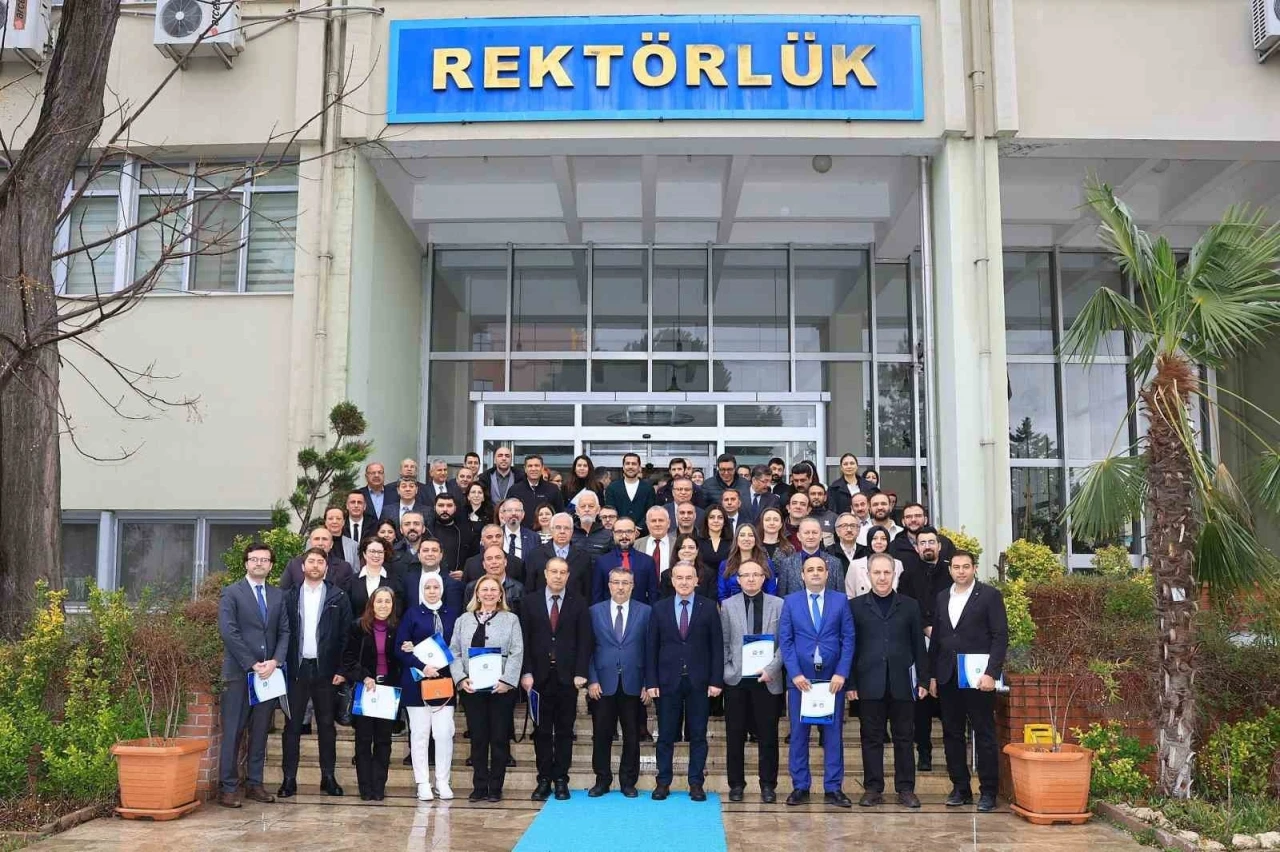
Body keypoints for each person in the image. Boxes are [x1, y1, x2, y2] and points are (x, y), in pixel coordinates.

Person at [929, 550, 1008, 813]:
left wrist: (991, 673)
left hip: (978, 678)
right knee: (952, 734)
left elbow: (1000, 636)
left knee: (984, 734)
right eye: (956, 567)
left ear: (974, 568)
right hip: (948, 675)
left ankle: (988, 792)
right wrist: (932, 675)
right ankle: (960, 788)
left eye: (966, 566)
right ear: (949, 569)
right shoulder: (942, 597)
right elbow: (937, 639)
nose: (961, 571)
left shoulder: (989, 596)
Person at [848, 553, 929, 808]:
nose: (882, 577)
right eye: (877, 572)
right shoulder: (855, 607)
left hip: (902, 683)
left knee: (904, 738)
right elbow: (850, 647)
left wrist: (923, 680)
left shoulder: (910, 605)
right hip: (868, 683)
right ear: (868, 574)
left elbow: (919, 645)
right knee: (871, 738)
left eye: (887, 572)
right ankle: (873, 788)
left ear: (894, 574)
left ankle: (906, 789)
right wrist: (851, 683)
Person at [217, 542, 291, 808]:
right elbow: (229, 631)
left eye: (264, 560)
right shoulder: (231, 593)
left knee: (260, 732)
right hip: (239, 674)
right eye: (254, 559)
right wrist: (251, 663)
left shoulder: (278, 595)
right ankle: (228, 787)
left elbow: (285, 631)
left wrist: (276, 661)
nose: (259, 563)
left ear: (271, 566)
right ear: (246, 563)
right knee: (233, 731)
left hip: (268, 676)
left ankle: (254, 783)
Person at [779, 556, 856, 808]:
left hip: (832, 681)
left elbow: (848, 639)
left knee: (833, 736)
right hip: (801, 681)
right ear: (802, 575)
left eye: (819, 569)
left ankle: (833, 788)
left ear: (827, 573)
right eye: (810, 570)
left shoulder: (840, 601)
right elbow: (786, 640)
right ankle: (800, 786)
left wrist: (842, 673)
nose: (815, 573)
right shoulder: (790, 602)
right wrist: (795, 674)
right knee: (799, 735)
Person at [645, 562, 724, 802]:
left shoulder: (708, 607)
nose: (684, 582)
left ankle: (696, 783)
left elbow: (717, 647)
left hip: (699, 682)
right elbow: (651, 647)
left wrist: (716, 680)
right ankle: (663, 782)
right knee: (665, 735)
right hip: (667, 681)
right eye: (679, 577)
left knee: (698, 735)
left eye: (689, 577)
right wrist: (651, 681)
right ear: (672, 581)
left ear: (697, 580)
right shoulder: (659, 608)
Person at [278, 547, 351, 799]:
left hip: (327, 671)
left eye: (320, 562)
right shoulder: (288, 596)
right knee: (292, 726)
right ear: (303, 566)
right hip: (296, 669)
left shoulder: (338, 596)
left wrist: (342, 669)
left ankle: (328, 777)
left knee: (327, 726)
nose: (315, 565)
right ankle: (289, 779)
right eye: (311, 561)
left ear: (326, 568)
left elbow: (346, 635)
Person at [521, 557, 593, 801]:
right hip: (538, 678)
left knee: (564, 731)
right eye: (554, 571)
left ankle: (561, 779)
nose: (558, 576)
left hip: (567, 679)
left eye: (563, 572)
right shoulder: (529, 602)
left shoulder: (579, 602)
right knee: (541, 731)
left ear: (568, 576)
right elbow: (524, 640)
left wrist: (581, 672)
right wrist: (526, 672)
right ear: (545, 573)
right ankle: (543, 780)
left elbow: (584, 640)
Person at [450, 575, 525, 802]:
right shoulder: (463, 620)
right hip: (472, 690)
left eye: (494, 590)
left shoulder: (511, 619)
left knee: (499, 739)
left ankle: (495, 787)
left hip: (500, 689)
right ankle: (480, 786)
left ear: (501, 594)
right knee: (478, 739)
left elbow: (517, 651)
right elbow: (454, 652)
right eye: (484, 589)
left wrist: (507, 681)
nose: (489, 593)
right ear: (477, 594)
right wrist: (461, 679)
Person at [720, 560, 784, 803]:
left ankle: (768, 785)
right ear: (738, 579)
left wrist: (772, 668)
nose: (750, 579)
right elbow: (724, 641)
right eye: (745, 575)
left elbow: (785, 642)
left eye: (756, 574)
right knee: (734, 735)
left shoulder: (778, 604)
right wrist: (728, 670)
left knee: (768, 736)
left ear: (764, 577)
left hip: (767, 679)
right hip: (737, 679)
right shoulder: (728, 605)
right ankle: (736, 784)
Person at [587, 569, 651, 798]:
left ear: (633, 586)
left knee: (632, 735)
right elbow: (588, 648)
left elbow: (650, 649)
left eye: (625, 583)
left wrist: (648, 683)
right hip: (603, 684)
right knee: (601, 734)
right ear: (609, 585)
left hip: (634, 682)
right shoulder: (594, 611)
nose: (621, 587)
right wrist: (592, 679)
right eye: (616, 582)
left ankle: (628, 781)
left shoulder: (646, 612)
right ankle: (602, 780)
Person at [395, 571, 459, 801]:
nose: (432, 591)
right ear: (422, 590)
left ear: (442, 589)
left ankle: (442, 781)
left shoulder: (453, 614)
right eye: (427, 587)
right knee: (420, 734)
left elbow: (457, 645)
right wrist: (423, 666)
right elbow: (400, 648)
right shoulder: (412, 614)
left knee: (443, 733)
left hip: (444, 682)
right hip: (417, 682)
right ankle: (422, 782)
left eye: (436, 587)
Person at [900, 524, 954, 771]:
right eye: (922, 543)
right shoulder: (908, 575)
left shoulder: (951, 572)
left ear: (939, 546)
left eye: (931, 542)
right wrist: (925, 627)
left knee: (948, 703)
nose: (927, 546)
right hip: (919, 644)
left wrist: (940, 632)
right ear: (917, 547)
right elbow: (905, 607)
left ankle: (953, 756)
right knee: (920, 704)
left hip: (948, 645)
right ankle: (924, 753)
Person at [341, 586, 400, 800]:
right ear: (371, 604)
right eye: (379, 601)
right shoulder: (358, 627)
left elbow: (400, 659)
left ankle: (379, 787)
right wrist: (364, 676)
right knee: (363, 740)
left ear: (393, 605)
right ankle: (365, 788)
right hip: (365, 689)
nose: (383, 605)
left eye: (387, 601)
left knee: (384, 741)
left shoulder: (398, 627)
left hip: (388, 691)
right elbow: (348, 658)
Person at [526, 512, 592, 599]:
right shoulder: (535, 555)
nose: (562, 532)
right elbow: (529, 588)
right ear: (551, 530)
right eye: (558, 527)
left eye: (566, 528)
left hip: (573, 605)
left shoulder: (583, 557)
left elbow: (587, 591)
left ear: (572, 531)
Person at [591, 517, 656, 605]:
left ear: (635, 533)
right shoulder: (602, 562)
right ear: (613, 534)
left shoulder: (648, 561)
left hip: (640, 612)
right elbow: (597, 596)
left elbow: (653, 595)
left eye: (629, 531)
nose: (624, 536)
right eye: (619, 532)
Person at [776, 518, 846, 597]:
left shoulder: (835, 564)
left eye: (815, 532)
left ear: (821, 536)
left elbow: (841, 597)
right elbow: (781, 598)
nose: (811, 536)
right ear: (799, 536)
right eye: (806, 533)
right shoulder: (787, 564)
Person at [403, 537, 465, 616]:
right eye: (425, 550)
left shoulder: (453, 584)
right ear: (418, 555)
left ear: (441, 555)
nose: (430, 554)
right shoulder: (408, 581)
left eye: (434, 550)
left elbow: (453, 616)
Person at [279, 526, 353, 591]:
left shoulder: (344, 567)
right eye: (316, 539)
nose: (320, 543)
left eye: (325, 539)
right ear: (310, 542)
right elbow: (284, 592)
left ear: (331, 544)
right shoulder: (294, 564)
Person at [464, 544, 526, 620]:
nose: (494, 562)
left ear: (505, 562)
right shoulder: (472, 587)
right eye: (489, 559)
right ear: (484, 564)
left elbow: (523, 618)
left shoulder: (518, 588)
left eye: (498, 558)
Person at [346, 537, 403, 619]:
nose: (376, 555)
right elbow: (348, 611)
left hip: (387, 626)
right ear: (364, 554)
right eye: (372, 551)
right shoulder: (351, 581)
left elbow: (398, 609)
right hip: (357, 626)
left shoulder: (395, 581)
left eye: (380, 552)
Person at [718, 522, 776, 601]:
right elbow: (722, 594)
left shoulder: (766, 563)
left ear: (755, 540)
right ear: (736, 539)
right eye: (742, 535)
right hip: (732, 606)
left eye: (750, 535)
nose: (746, 539)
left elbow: (771, 593)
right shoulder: (726, 564)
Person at [603, 452, 657, 534]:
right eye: (627, 464)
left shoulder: (648, 488)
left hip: (642, 534)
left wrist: (639, 528)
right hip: (618, 533)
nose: (630, 466)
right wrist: (623, 528)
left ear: (639, 467)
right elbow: (611, 511)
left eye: (634, 464)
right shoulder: (612, 488)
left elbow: (650, 511)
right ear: (623, 467)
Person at [845, 527, 905, 599]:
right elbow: (849, 595)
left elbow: (902, 593)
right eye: (874, 538)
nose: (879, 542)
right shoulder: (856, 565)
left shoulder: (897, 564)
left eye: (883, 539)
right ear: (869, 540)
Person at [426, 492, 474, 576]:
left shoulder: (466, 532)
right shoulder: (426, 531)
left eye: (449, 506)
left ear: (455, 508)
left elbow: (472, 558)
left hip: (456, 580)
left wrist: (464, 573)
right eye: (441, 505)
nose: (445, 509)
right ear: (434, 508)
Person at [509, 454, 565, 524]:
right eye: (530, 466)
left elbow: (560, 514)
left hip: (546, 530)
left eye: (537, 466)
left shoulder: (553, 489)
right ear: (525, 469)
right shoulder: (514, 490)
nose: (533, 469)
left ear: (542, 468)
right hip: (522, 530)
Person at [660, 533, 718, 600]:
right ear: (677, 551)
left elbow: (711, 602)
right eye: (682, 547)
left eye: (691, 547)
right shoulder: (666, 575)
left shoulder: (709, 574)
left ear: (697, 551)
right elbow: (663, 602)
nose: (687, 551)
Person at [635, 505, 675, 591]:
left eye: (661, 520)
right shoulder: (636, 545)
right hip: (643, 592)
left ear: (668, 523)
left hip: (670, 592)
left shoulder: (677, 544)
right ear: (647, 524)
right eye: (653, 521)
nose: (657, 524)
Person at [498, 497, 541, 564]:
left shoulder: (534, 537)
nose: (513, 513)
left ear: (523, 514)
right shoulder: (494, 535)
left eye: (517, 510)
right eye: (509, 510)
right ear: (503, 514)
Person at [571, 490, 613, 556]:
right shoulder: (570, 533)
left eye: (591, 506)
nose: (587, 509)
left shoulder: (608, 535)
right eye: (583, 506)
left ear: (598, 510)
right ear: (577, 510)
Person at [392, 510, 428, 575]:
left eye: (416, 524)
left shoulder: (434, 550)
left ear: (423, 529)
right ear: (401, 529)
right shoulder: (392, 552)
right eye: (407, 524)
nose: (412, 527)